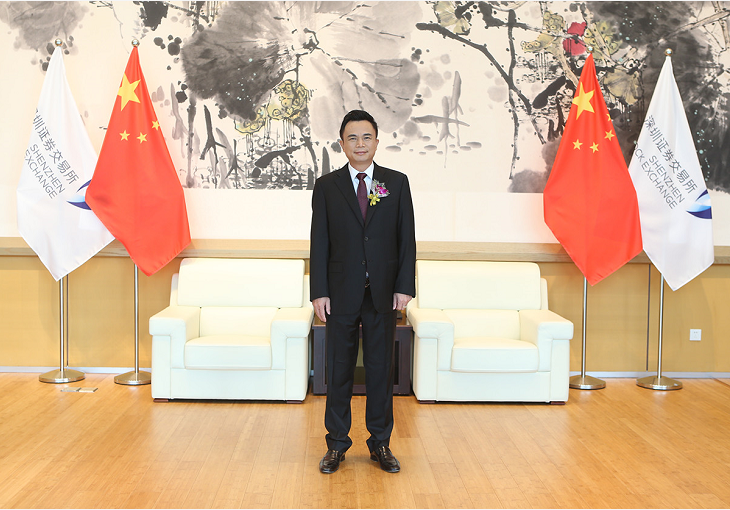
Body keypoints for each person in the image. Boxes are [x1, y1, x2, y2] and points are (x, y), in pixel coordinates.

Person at [310, 110, 416, 474]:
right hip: (339, 293)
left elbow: (406, 239)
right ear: (341, 143)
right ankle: (337, 445)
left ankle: (380, 443)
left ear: (376, 141)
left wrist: (404, 286)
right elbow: (319, 242)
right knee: (338, 370)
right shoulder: (327, 186)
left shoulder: (396, 183)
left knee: (380, 371)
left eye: (366, 137)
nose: (360, 144)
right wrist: (319, 291)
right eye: (352, 138)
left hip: (382, 293)